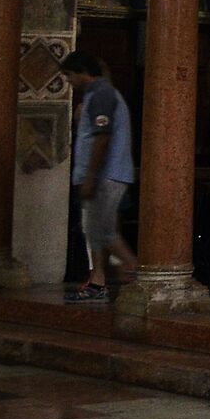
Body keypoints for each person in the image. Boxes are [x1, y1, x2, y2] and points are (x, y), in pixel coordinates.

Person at [61, 51, 137, 302]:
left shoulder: (102, 95)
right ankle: (97, 283)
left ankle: (137, 272)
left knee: (103, 230)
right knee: (94, 230)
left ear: (83, 72)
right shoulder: (94, 96)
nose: (68, 81)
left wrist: (91, 177)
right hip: (100, 176)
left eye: (70, 75)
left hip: (107, 176)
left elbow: (102, 138)